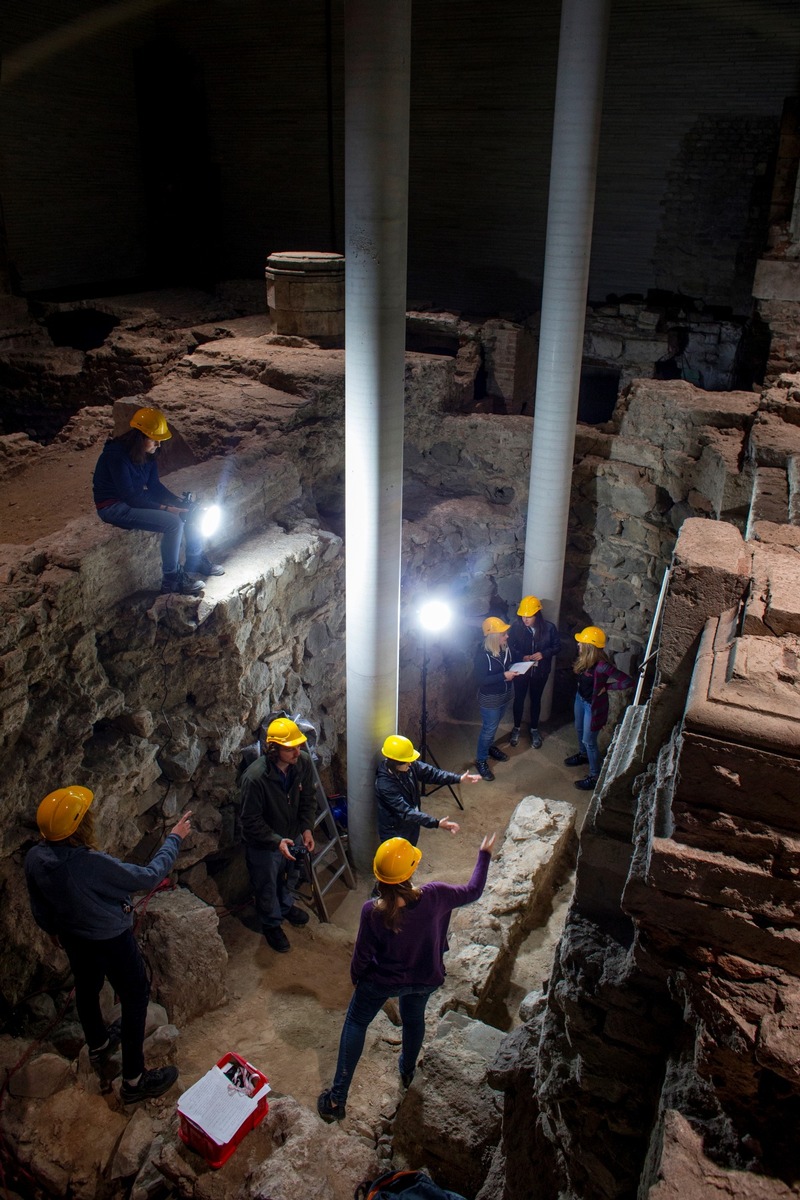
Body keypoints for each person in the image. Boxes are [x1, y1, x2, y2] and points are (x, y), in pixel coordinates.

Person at [24, 785, 191, 1103]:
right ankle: (134, 1081)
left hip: (74, 937)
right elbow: (147, 877)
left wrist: (52, 930)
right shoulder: (87, 863)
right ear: (79, 825)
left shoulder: (35, 857)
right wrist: (175, 838)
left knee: (86, 987)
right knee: (135, 996)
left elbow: (39, 904)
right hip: (111, 939)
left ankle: (98, 1044)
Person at [317, 832, 496, 1122]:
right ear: (411, 871)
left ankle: (337, 1100)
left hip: (382, 981)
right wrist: (484, 855)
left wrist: (357, 979)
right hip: (424, 976)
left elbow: (361, 956)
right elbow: (474, 890)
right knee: (414, 1019)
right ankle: (408, 1070)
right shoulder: (436, 896)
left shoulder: (372, 912)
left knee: (356, 1021)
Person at [92, 406, 223, 596]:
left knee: (189, 511)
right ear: (140, 436)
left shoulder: (148, 454)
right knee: (173, 523)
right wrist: (167, 509)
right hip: (113, 506)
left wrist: (179, 503)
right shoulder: (116, 456)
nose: (158, 445)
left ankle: (195, 560)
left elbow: (154, 486)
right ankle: (171, 580)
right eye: (155, 440)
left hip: (131, 499)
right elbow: (130, 497)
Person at [239, 716, 317, 953]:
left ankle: (285, 906)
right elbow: (250, 820)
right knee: (266, 883)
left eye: (299, 746)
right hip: (265, 843)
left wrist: (306, 828)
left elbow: (308, 799)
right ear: (274, 749)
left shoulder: (302, 763)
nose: (297, 751)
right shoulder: (255, 779)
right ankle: (271, 923)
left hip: (292, 834)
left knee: (290, 872)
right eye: (290, 748)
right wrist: (275, 841)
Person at [564, 626, 634, 791]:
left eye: (581, 643)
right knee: (579, 729)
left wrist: (608, 688)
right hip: (580, 699)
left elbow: (627, 681)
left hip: (592, 706)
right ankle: (583, 755)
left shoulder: (602, 666)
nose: (578, 645)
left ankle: (595, 776)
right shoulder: (584, 659)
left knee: (590, 741)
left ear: (589, 646)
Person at [376, 735, 480, 845]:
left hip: (411, 824)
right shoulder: (385, 785)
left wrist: (458, 778)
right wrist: (436, 823)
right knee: (399, 860)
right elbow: (406, 812)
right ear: (395, 763)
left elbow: (432, 773)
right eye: (407, 762)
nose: (410, 764)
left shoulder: (407, 766)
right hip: (395, 831)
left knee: (412, 852)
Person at [507, 595, 561, 749]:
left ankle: (534, 729)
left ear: (537, 614)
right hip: (521, 670)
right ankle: (516, 728)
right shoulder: (516, 627)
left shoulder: (549, 628)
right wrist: (521, 656)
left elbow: (557, 646)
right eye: (523, 615)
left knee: (536, 700)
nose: (525, 619)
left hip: (540, 672)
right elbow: (510, 646)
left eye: (529, 616)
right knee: (519, 699)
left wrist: (544, 653)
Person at [473, 616, 520, 781]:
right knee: (488, 729)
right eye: (503, 634)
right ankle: (481, 760)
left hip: (505, 695)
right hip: (490, 699)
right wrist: (503, 676)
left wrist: (522, 663)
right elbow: (480, 681)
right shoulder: (482, 656)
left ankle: (490, 748)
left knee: (493, 727)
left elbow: (512, 660)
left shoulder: (504, 648)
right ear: (493, 637)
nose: (507, 636)